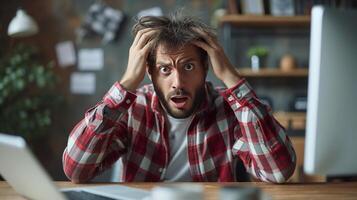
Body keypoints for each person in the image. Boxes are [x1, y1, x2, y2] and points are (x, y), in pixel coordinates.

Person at [63, 13, 296, 183]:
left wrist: (230, 77)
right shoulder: (134, 109)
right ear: (149, 73)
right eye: (165, 69)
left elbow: (278, 171)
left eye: (189, 66)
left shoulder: (228, 110)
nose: (178, 82)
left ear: (206, 69)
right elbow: (76, 170)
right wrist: (125, 84)